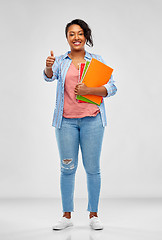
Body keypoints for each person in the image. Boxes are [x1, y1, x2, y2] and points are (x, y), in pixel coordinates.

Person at [43, 19, 117, 230]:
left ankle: (94, 214)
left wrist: (89, 91)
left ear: (86, 36)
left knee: (92, 169)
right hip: (65, 122)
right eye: (71, 34)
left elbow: (111, 88)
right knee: (67, 169)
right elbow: (50, 77)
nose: (76, 37)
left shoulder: (97, 60)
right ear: (67, 38)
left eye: (80, 33)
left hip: (93, 121)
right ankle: (66, 216)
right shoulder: (60, 61)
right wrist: (48, 68)